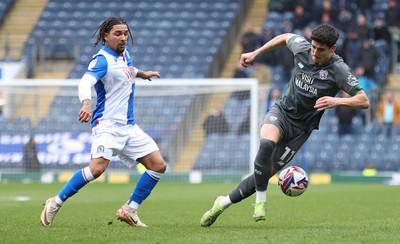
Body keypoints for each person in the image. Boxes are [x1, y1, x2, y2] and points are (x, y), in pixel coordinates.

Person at [200, 24, 369, 227]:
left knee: (261, 175)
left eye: (321, 49)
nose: (314, 52)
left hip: (301, 130)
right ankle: (261, 201)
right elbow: (285, 37)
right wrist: (256, 52)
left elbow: (363, 100)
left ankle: (222, 203)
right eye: (313, 47)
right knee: (266, 145)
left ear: (332, 49)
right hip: (281, 112)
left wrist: (337, 101)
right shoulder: (302, 47)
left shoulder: (338, 69)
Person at [40, 17, 167, 228]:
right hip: (107, 125)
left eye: (125, 33)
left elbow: (128, 71)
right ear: (105, 36)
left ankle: (129, 210)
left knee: (158, 166)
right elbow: (85, 81)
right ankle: (55, 202)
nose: (123, 38)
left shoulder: (125, 55)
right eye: (118, 34)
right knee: (96, 169)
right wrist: (87, 103)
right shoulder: (101, 60)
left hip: (129, 127)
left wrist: (142, 74)